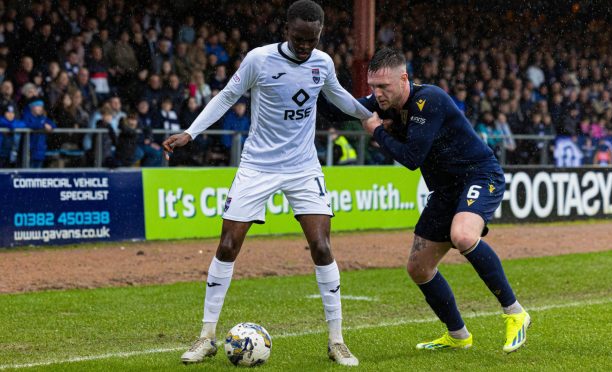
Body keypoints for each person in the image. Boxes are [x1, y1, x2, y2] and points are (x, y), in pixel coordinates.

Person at [163, 0, 371, 366]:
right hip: (257, 165)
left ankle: (337, 340)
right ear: (286, 31)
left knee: (322, 247)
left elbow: (339, 97)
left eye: (313, 39)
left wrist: (372, 116)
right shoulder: (259, 60)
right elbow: (228, 96)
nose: (306, 46)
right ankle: (206, 337)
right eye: (300, 38)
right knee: (228, 245)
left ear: (320, 35)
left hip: (304, 167)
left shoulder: (323, 63)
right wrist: (191, 132)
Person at [321, 47, 530, 353]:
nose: (377, 94)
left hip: (478, 175)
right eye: (373, 87)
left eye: (384, 87)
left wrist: (377, 130)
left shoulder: (428, 101)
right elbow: (341, 109)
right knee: (418, 268)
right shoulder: (384, 102)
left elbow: (411, 158)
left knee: (463, 235)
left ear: (403, 79)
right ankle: (458, 336)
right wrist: (307, 88)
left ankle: (516, 313)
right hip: (445, 191)